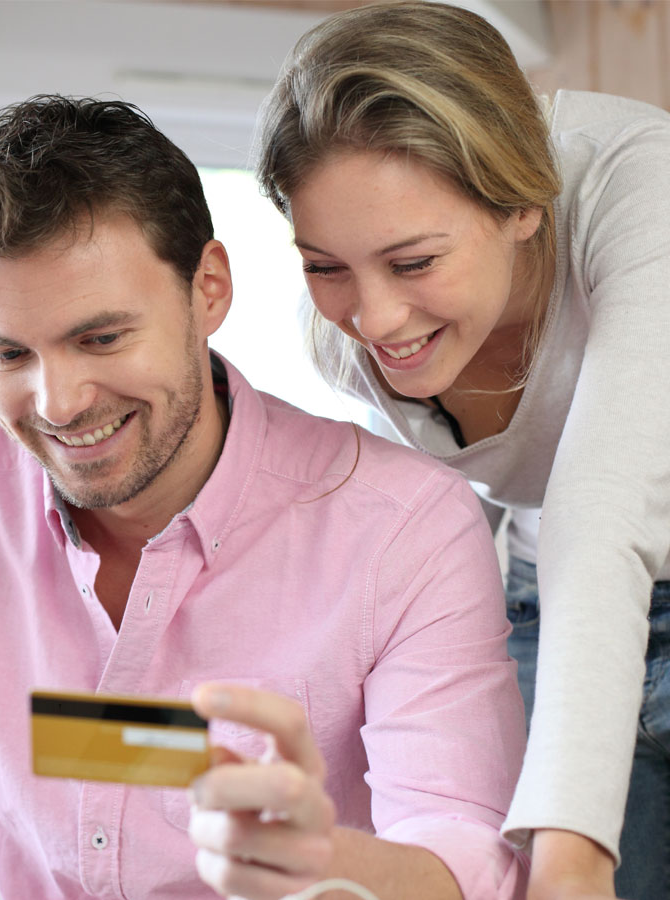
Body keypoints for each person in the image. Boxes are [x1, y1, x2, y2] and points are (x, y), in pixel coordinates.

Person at [0, 93, 528, 900]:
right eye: (9, 354)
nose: (59, 402)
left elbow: (467, 854)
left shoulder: (404, 527)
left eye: (101, 338)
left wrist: (326, 864)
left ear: (208, 289)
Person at [255, 2, 670, 898]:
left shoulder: (644, 190)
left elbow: (599, 521)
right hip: (553, 603)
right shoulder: (344, 343)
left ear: (522, 203)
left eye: (412, 263)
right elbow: (407, 550)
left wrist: (573, 868)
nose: (374, 319)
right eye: (325, 265)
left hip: (596, 565)